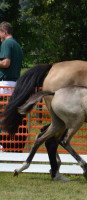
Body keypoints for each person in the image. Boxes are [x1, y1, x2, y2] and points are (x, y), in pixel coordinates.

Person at [0, 21, 25, 152]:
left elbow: (6, 63)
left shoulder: (6, 43)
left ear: (4, 32)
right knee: (8, 113)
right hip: (15, 84)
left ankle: (1, 144)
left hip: (4, 83)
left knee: (3, 113)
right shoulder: (17, 44)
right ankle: (10, 144)